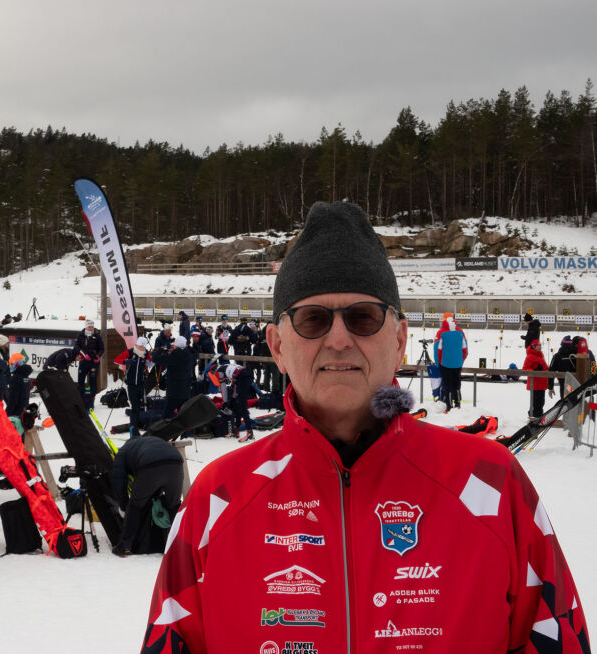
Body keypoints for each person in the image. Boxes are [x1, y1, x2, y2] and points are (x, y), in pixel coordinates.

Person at [141, 201, 589, 653]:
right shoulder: (217, 498)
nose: (339, 340)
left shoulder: (492, 481)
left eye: (363, 318)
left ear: (398, 341)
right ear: (276, 346)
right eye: (313, 319)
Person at [109, 435, 184, 557]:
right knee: (174, 506)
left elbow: (118, 481)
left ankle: (124, 546)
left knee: (135, 507)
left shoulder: (123, 452)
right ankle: (183, 544)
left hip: (149, 465)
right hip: (176, 462)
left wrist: (123, 506)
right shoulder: (151, 441)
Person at [113, 336, 153, 437]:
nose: (140, 348)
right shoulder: (130, 352)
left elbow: (151, 364)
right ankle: (133, 429)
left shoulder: (146, 353)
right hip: (131, 384)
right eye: (139, 346)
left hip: (141, 383)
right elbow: (116, 360)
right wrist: (126, 362)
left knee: (141, 406)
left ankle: (139, 425)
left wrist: (154, 359)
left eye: (142, 347)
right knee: (134, 406)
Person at [433, 311, 467, 411]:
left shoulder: (440, 332)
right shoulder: (460, 332)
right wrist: (460, 361)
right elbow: (465, 350)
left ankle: (447, 406)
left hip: (445, 364)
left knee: (446, 385)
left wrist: (439, 363)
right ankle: (457, 404)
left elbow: (437, 350)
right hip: (457, 364)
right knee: (457, 384)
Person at [161, 335, 196, 419]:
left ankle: (166, 431)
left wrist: (160, 351)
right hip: (185, 391)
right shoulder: (190, 356)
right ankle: (185, 431)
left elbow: (160, 360)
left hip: (174, 392)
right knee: (183, 415)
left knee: (167, 415)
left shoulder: (174, 356)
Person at [73, 319, 104, 395]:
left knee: (93, 380)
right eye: (89, 327)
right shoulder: (81, 335)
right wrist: (84, 355)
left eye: (92, 327)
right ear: (86, 327)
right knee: (81, 380)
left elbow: (102, 348)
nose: (91, 328)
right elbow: (76, 347)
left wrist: (98, 356)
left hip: (94, 362)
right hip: (84, 361)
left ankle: (91, 399)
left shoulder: (97, 335)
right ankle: (81, 398)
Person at [5, 352, 33, 420]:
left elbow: (13, 399)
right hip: (24, 411)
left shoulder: (16, 378)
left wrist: (6, 414)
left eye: (10, 364)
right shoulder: (26, 376)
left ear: (15, 364)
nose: (9, 366)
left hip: (15, 414)